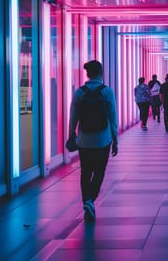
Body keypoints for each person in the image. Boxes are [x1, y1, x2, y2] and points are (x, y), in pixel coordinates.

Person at [68, 60, 118, 222]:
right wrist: (115, 139)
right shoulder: (107, 92)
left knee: (85, 171)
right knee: (99, 171)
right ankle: (90, 200)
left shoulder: (80, 93)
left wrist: (71, 135)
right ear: (101, 72)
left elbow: (73, 117)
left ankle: (86, 200)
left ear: (87, 73)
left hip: (84, 140)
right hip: (103, 139)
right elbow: (112, 117)